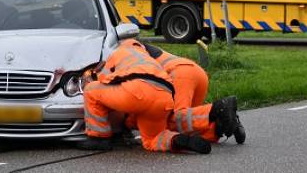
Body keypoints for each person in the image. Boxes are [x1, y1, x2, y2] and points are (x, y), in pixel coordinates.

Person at [79, 39, 211, 154]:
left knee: (91, 90)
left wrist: (90, 82)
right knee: (152, 139)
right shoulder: (147, 57)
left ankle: (99, 138)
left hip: (138, 91)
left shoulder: (118, 53)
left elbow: (105, 81)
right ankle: (176, 140)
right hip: (164, 96)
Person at [143, 43, 246, 144]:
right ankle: (217, 126)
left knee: (172, 119)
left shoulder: (132, 51)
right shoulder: (136, 47)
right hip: (195, 72)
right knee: (188, 124)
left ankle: (220, 109)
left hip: (180, 74)